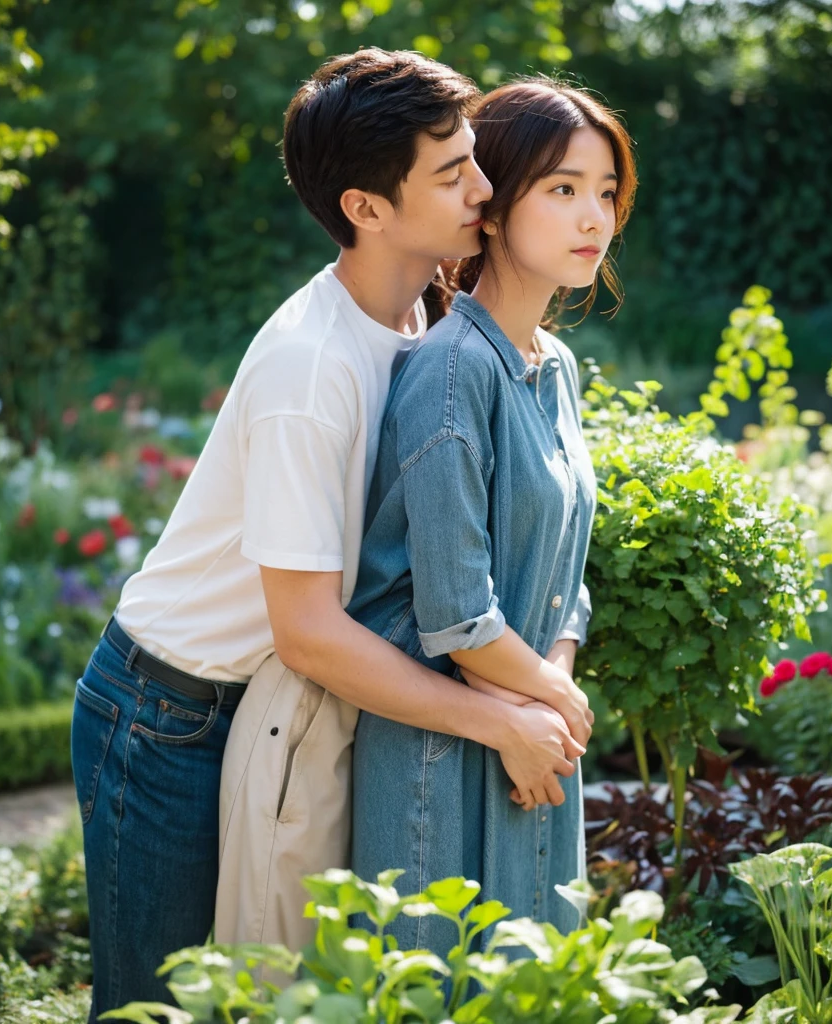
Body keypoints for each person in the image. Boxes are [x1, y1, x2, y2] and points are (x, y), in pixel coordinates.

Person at [70, 51, 592, 1017]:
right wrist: (506, 722)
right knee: (164, 1004)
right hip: (170, 715)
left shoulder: (430, 321)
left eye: (475, 161)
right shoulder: (311, 370)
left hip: (292, 706)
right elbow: (308, 628)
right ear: (367, 207)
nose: (485, 190)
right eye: (453, 174)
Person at [349, 77, 637, 958]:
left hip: (534, 739)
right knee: (445, 990)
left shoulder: (556, 366)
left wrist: (554, 694)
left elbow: (563, 582)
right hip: (441, 759)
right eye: (563, 188)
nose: (595, 215)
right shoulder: (450, 371)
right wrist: (559, 705)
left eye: (606, 192)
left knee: (539, 982)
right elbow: (457, 615)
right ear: (496, 200)